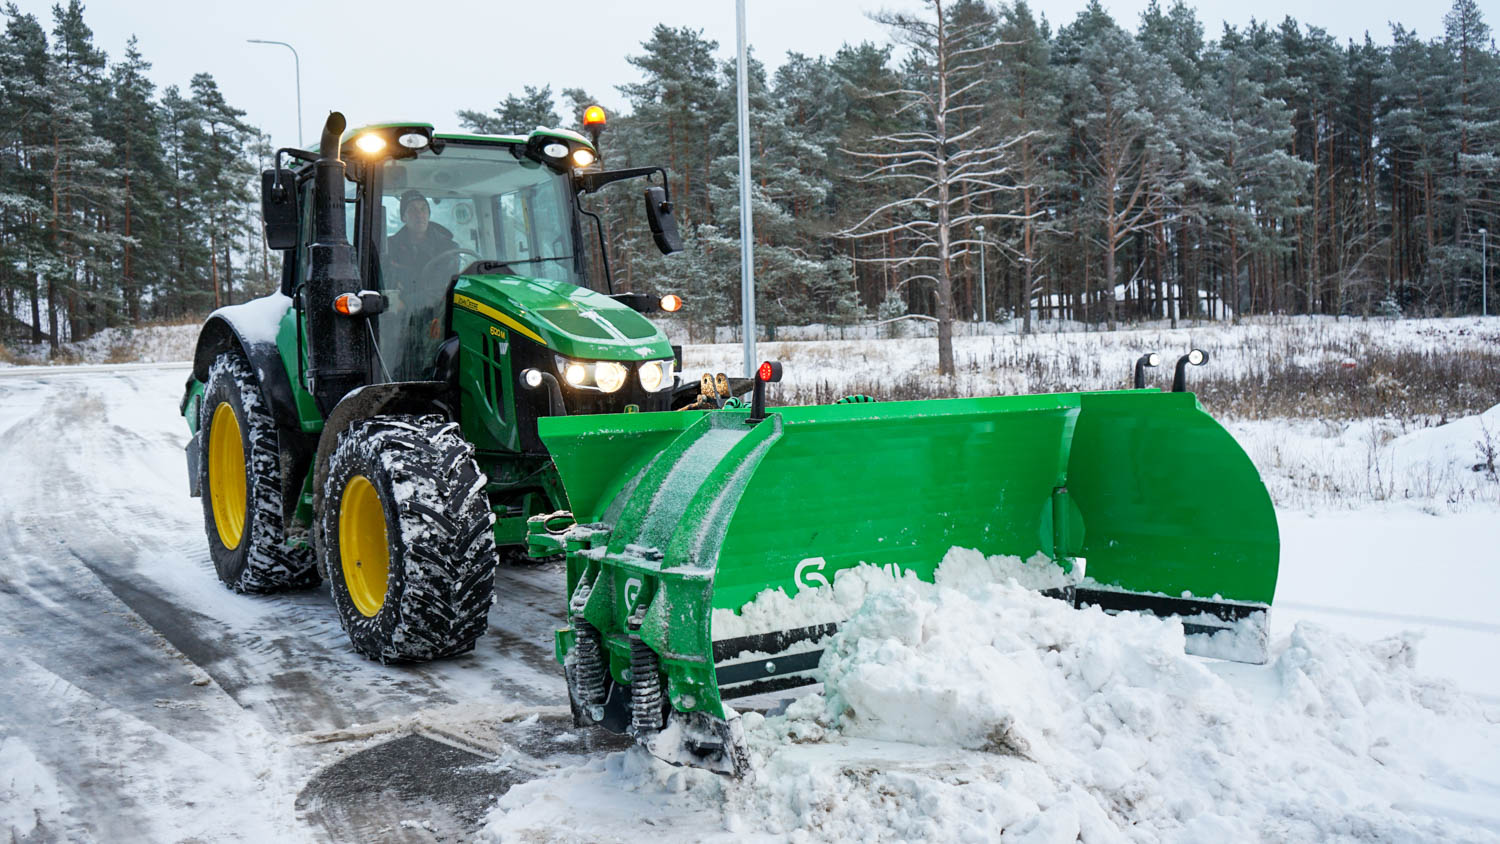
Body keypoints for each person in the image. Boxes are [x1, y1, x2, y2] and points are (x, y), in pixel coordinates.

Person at [383, 190, 458, 377]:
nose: (420, 215)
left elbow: (441, 289)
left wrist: (406, 301)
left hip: (437, 314)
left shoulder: (448, 248)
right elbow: (385, 281)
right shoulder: (389, 247)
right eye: (413, 210)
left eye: (424, 209)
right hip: (400, 318)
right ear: (403, 217)